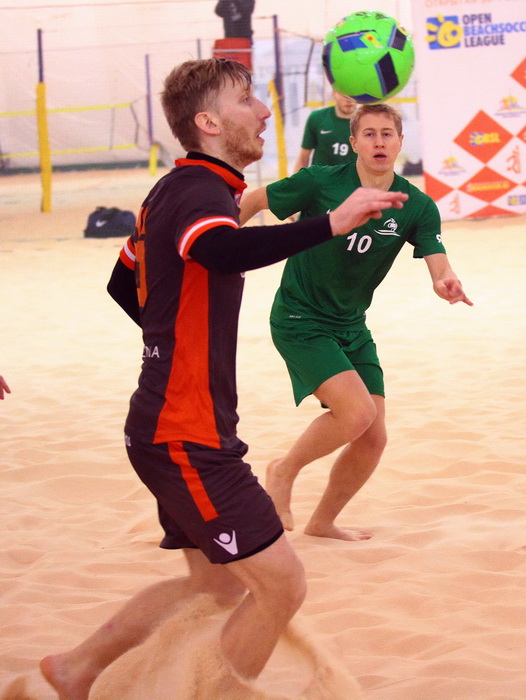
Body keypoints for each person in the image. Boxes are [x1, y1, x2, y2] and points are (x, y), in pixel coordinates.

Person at [39, 59, 408, 698]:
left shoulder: (173, 188)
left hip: (171, 421)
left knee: (214, 589)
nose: (264, 111)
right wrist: (330, 223)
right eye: (246, 100)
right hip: (185, 434)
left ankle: (77, 669)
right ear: (209, 122)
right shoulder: (202, 192)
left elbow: (124, 282)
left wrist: (178, 341)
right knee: (283, 585)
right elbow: (218, 250)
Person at [240, 102, 473, 542]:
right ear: (353, 143)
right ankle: (283, 470)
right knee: (356, 413)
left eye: (387, 133)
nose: (379, 141)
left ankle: (322, 523)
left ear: (400, 143)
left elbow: (438, 261)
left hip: (351, 325)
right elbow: (254, 200)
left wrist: (446, 280)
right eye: (369, 134)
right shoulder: (321, 181)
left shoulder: (417, 205)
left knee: (373, 437)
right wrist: (220, 248)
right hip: (299, 317)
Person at [293, 90, 358, 173]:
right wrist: (296, 180)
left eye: (353, 93)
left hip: (351, 179)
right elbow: (303, 157)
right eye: (343, 93)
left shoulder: (366, 122)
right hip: (320, 179)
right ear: (333, 93)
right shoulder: (317, 118)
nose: (348, 99)